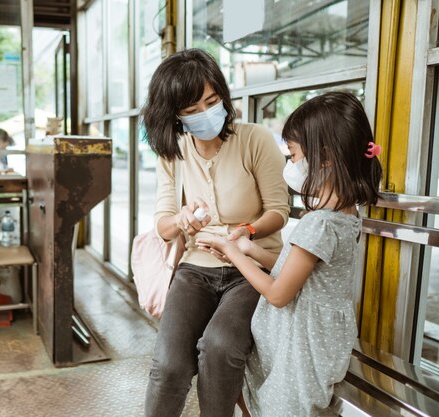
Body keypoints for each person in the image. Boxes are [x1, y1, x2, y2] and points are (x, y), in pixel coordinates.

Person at [196, 91, 383, 416]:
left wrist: (231, 250)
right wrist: (249, 249)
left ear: (323, 157)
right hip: (321, 340)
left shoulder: (320, 223)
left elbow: (279, 293)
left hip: (302, 347)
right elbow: (301, 270)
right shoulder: (347, 213)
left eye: (294, 156)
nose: (290, 164)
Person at [141, 48, 290, 417]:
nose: (206, 113)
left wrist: (247, 232)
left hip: (248, 271)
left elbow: (279, 211)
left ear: (223, 94)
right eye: (191, 110)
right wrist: (182, 221)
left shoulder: (255, 140)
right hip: (195, 268)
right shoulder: (171, 152)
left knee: (220, 347)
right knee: (169, 365)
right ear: (174, 116)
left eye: (212, 101)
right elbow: (162, 226)